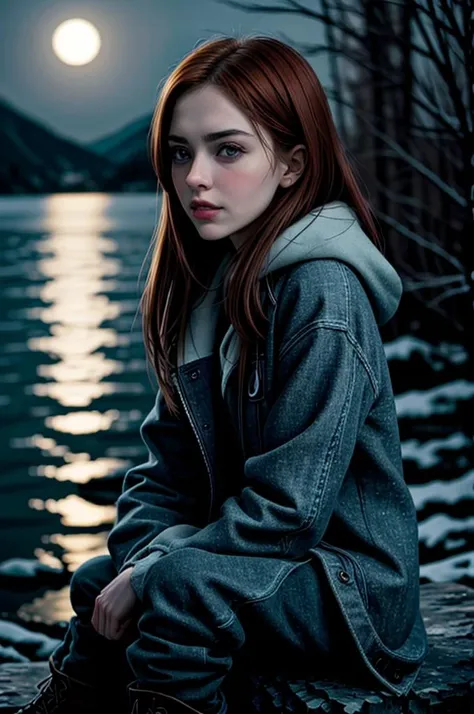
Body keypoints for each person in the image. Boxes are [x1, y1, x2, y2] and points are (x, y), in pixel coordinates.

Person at [15, 34, 428, 714]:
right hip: (255, 568)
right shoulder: (211, 292)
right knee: (98, 582)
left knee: (176, 594)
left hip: (348, 591)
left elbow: (289, 512)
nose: (194, 176)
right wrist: (145, 558)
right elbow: (163, 474)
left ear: (293, 164)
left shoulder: (323, 293)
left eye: (227, 149)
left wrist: (158, 575)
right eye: (180, 152)